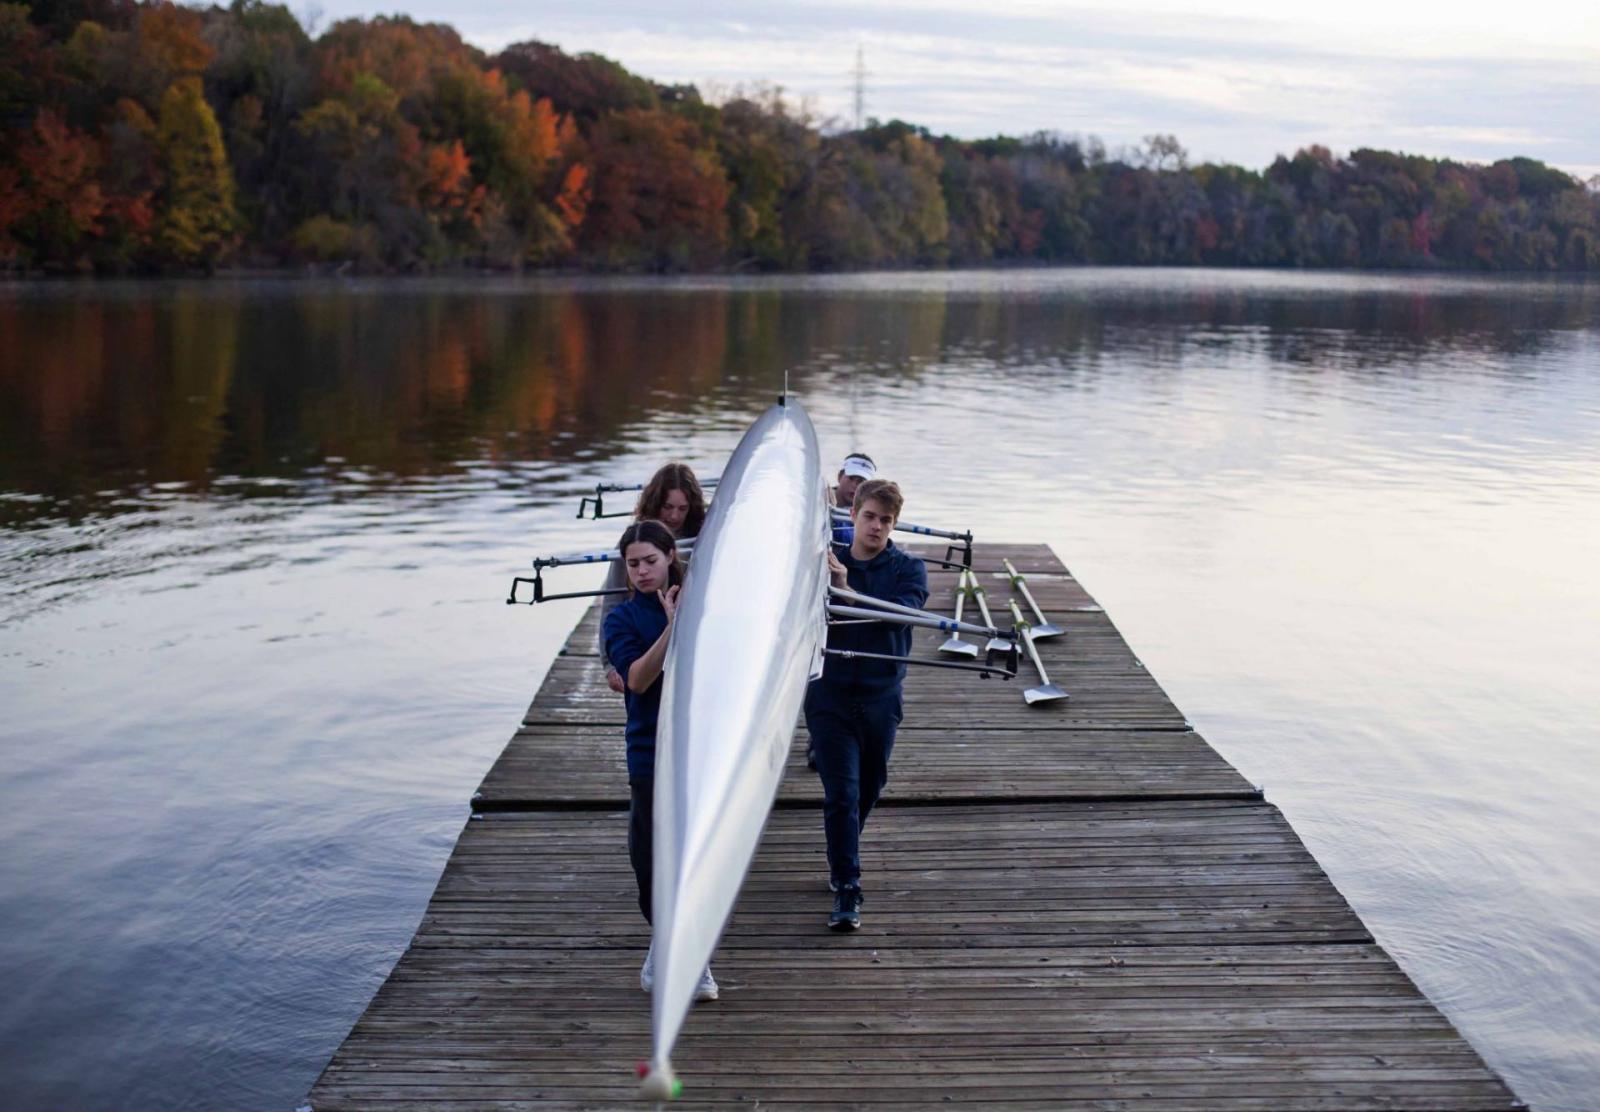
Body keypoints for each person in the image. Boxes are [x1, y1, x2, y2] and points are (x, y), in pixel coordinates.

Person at [601, 519, 719, 1002]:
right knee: (648, 865)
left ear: (671, 555)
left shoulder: (710, 602)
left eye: (651, 561)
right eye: (633, 565)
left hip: (699, 749)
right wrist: (674, 628)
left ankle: (694, 960)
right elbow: (637, 680)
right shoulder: (621, 620)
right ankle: (663, 944)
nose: (643, 572)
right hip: (649, 751)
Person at [804, 478, 927, 931]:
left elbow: (899, 614)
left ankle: (843, 850)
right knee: (842, 793)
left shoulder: (909, 570)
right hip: (829, 695)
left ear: (893, 525)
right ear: (851, 514)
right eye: (869, 516)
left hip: (880, 696)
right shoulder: (822, 564)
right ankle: (847, 885)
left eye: (885, 520)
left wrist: (847, 592)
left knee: (871, 785)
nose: (876, 527)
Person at [599, 463, 707, 694]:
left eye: (682, 508)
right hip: (644, 633)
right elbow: (611, 603)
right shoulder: (634, 542)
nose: (674, 516)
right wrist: (609, 666)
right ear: (656, 503)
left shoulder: (704, 538)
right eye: (668, 507)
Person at [829, 452, 875, 547]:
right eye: (851, 478)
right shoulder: (819, 499)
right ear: (839, 477)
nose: (855, 485)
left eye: (861, 482)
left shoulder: (871, 513)